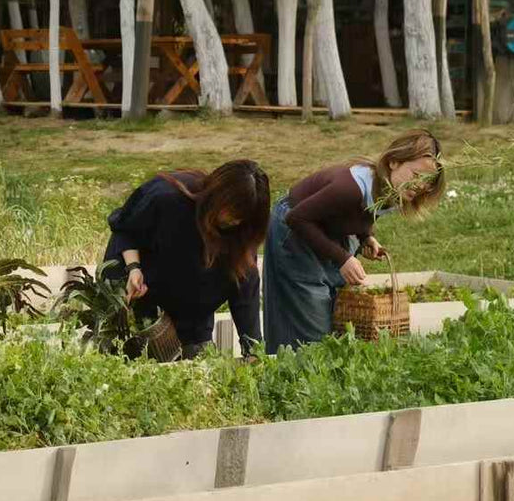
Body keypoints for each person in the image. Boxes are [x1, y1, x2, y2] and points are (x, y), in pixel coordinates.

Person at [263, 129, 445, 354]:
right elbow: (297, 218)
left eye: (427, 182)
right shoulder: (349, 188)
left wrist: (366, 236)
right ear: (394, 162)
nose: (419, 186)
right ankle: (294, 362)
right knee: (310, 309)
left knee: (334, 307)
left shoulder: (391, 190)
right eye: (416, 175)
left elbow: (359, 213)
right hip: (296, 227)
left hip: (326, 226)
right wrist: (342, 258)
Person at [103, 160, 270, 359]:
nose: (234, 220)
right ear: (217, 195)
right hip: (142, 302)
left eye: (242, 217)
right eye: (232, 211)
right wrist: (133, 268)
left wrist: (253, 350)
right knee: (128, 364)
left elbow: (245, 289)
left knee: (196, 370)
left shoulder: (242, 231)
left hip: (194, 320)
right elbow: (125, 229)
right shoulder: (167, 197)